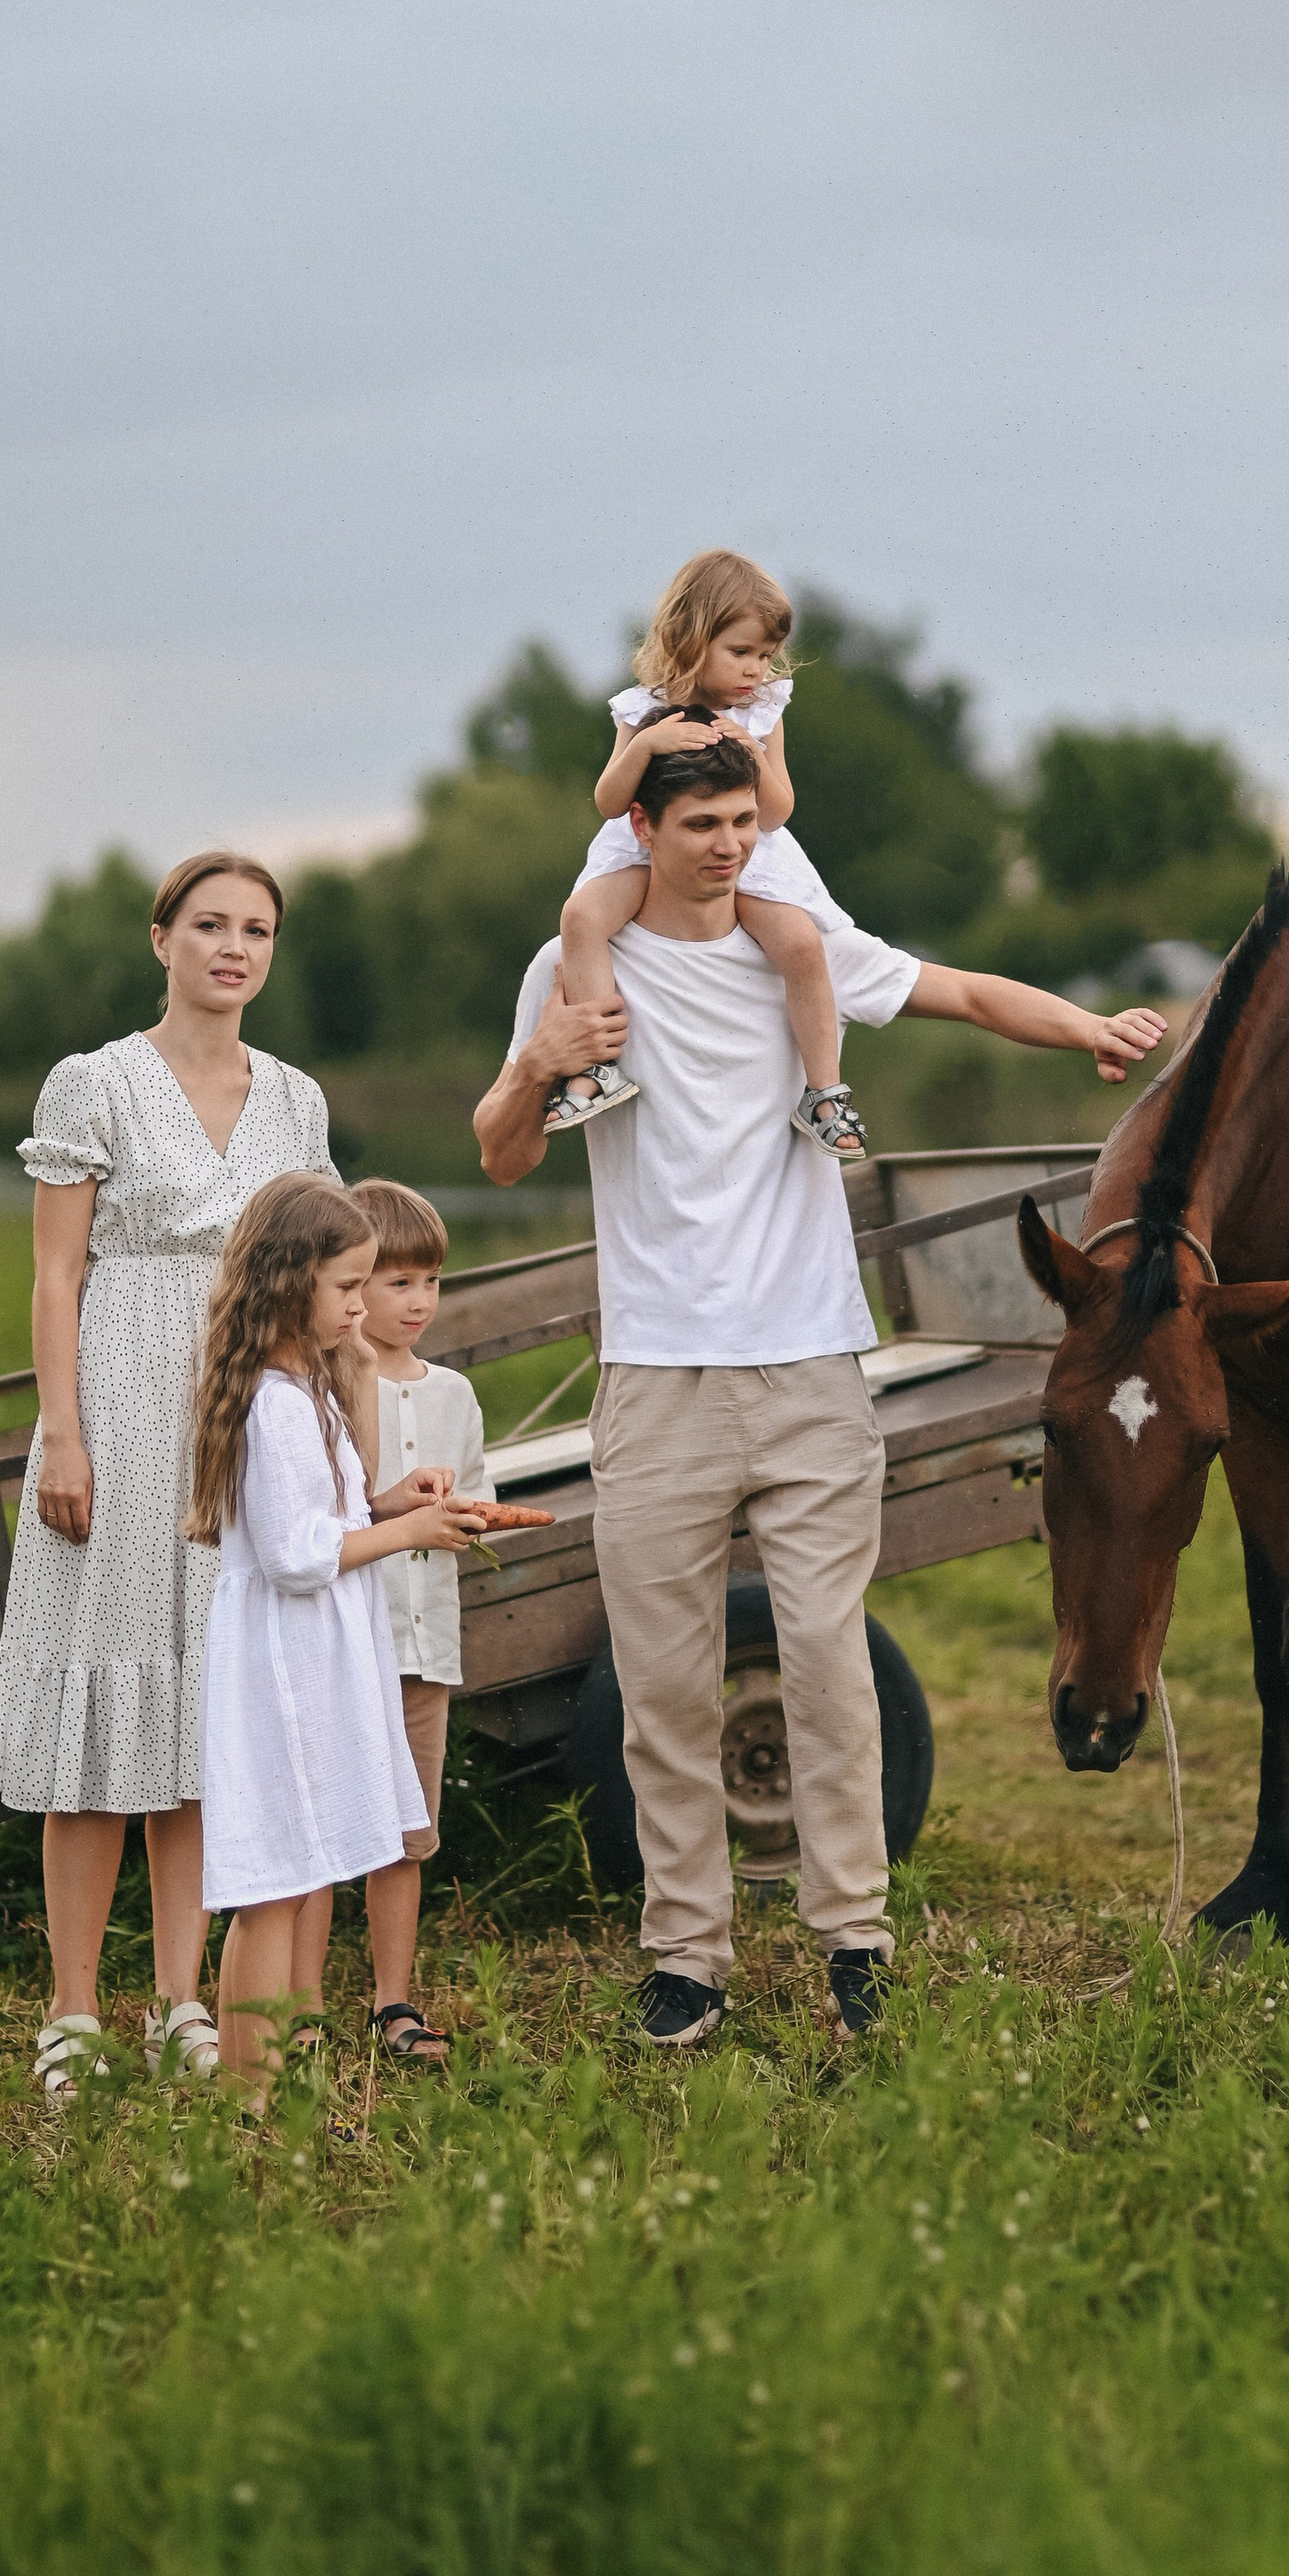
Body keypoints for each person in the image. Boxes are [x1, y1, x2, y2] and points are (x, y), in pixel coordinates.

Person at [473, 724, 1166, 2046]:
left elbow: (963, 993)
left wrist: (1090, 1027)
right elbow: (502, 1153)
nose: (730, 847)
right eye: (702, 826)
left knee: (831, 1672)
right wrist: (542, 1060)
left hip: (807, 1366)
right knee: (663, 1692)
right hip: (658, 1377)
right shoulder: (574, 965)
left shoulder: (797, 943)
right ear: (643, 832)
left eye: (745, 822)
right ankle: (687, 1958)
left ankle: (856, 1941)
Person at [0, 849, 340, 2099]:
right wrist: (63, 1433)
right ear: (162, 939)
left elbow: (317, 1285)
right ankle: (72, 2010)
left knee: (204, 1719)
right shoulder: (96, 1082)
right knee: (101, 1719)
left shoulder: (296, 1101)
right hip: (121, 1411)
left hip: (243, 1425)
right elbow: (56, 1275)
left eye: (257, 930)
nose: (234, 948)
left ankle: (182, 2001)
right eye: (211, 924)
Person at [185, 1172, 482, 2093]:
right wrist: (408, 1530)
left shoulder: (303, 1389)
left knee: (286, 1877)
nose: (361, 1306)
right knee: (271, 1889)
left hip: (312, 1660)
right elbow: (296, 1554)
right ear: (289, 1283)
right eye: (348, 1286)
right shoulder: (276, 1405)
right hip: (287, 1668)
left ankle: (265, 2091)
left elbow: (323, 1515)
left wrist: (388, 1501)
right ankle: (249, 2096)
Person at [546, 549, 870, 1159]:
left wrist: (752, 752)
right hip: (647, 852)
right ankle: (598, 1068)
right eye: (741, 651)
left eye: (766, 655)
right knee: (581, 918)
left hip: (746, 854)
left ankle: (824, 1093)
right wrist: (646, 746)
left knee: (802, 945)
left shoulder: (763, 710)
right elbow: (610, 802)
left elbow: (775, 812)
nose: (756, 668)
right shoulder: (641, 706)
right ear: (692, 638)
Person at [286, 1177, 494, 2066]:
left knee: (406, 1835)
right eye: (396, 1281)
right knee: (321, 1832)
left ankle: (392, 2001)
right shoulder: (321, 1388)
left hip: (422, 1646)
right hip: (342, 1647)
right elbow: (323, 1521)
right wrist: (393, 1509)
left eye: (430, 1281)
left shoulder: (454, 1394)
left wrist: (466, 1517)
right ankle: (298, 2010)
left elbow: (473, 1496)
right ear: (350, 1284)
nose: (417, 1301)